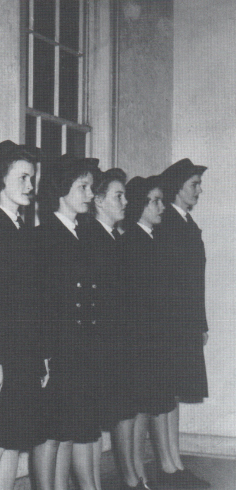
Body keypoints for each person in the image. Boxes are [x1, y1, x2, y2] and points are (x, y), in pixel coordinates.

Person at [0, 141, 46, 490]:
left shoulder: (22, 231)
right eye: (24, 178)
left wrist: (41, 356)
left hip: (24, 355)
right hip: (1, 356)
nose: (31, 186)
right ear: (0, 178)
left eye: (33, 178)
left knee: (14, 441)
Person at [33, 156, 101, 490]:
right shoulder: (45, 234)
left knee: (70, 433)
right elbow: (41, 302)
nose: (90, 194)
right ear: (61, 191)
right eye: (83, 187)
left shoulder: (81, 233)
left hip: (81, 348)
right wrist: (44, 354)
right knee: (51, 435)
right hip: (57, 349)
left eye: (90, 187)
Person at [153, 159, 211, 489]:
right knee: (165, 393)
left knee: (173, 393)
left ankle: (174, 461)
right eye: (194, 184)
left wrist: (200, 323)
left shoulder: (185, 223)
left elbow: (195, 281)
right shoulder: (168, 224)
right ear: (178, 188)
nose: (199, 190)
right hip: (170, 324)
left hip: (185, 322)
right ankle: (166, 465)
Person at [77, 168, 129, 489]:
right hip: (98, 344)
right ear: (98, 200)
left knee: (97, 421)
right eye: (118, 195)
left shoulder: (113, 237)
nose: (125, 202)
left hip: (114, 344)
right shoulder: (90, 237)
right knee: (89, 422)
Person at [120, 175, 172, 490]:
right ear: (140, 204)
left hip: (154, 341)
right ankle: (135, 477)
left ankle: (139, 477)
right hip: (139, 342)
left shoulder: (152, 238)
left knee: (147, 407)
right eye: (155, 200)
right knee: (137, 410)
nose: (161, 206)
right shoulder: (130, 243)